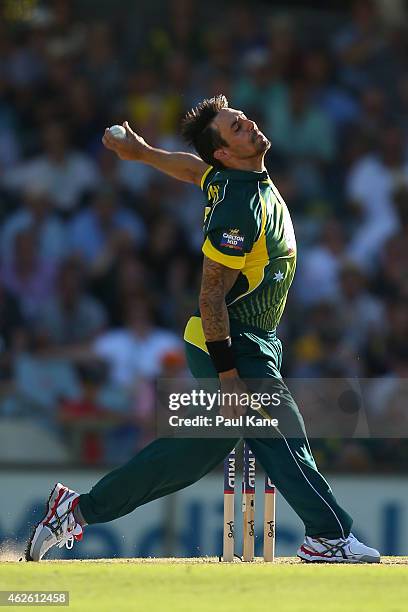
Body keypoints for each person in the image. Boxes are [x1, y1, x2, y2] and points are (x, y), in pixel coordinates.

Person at [25, 95, 380, 563]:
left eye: (242, 118)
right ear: (227, 153)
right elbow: (210, 296)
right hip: (232, 340)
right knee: (281, 433)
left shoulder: (229, 177)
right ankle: (328, 536)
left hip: (255, 339)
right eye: (236, 128)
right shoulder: (237, 207)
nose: (249, 124)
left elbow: (193, 169)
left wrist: (144, 153)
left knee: (191, 455)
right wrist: (231, 379)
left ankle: (75, 511)